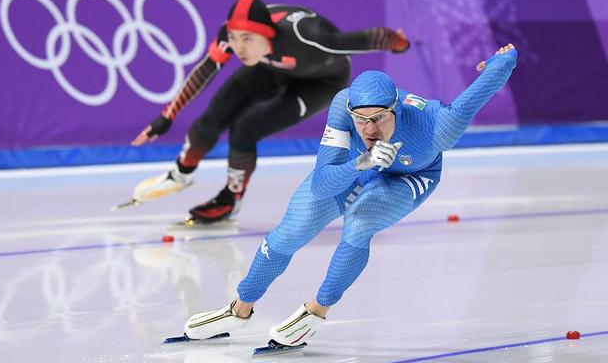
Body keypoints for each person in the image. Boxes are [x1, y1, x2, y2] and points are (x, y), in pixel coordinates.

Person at [181, 44, 518, 346]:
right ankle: (240, 309)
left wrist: (501, 59)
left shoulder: (437, 126)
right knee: (291, 230)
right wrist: (361, 164)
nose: (370, 130)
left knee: (359, 222)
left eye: (380, 119)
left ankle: (316, 311)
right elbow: (322, 185)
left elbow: (486, 85)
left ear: (396, 109)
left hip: (410, 174)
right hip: (358, 166)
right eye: (361, 120)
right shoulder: (342, 106)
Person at [130, 0, 410, 223]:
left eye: (247, 39)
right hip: (270, 66)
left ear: (267, 35)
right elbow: (203, 72)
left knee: (245, 130)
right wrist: (166, 117)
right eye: (234, 38)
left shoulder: (307, 36)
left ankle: (231, 199)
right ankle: (182, 172)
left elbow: (368, 39)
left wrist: (400, 43)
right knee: (211, 119)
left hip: (319, 82)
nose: (238, 47)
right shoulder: (239, 40)